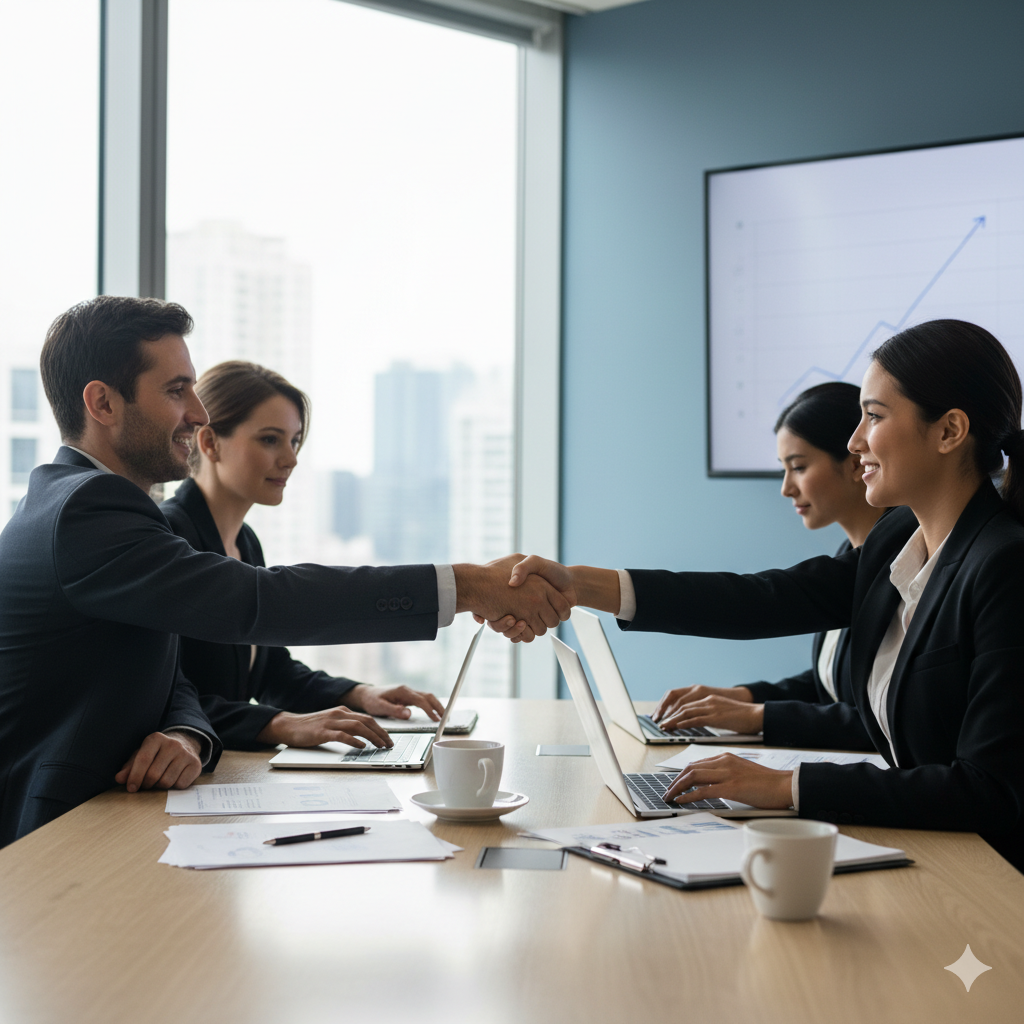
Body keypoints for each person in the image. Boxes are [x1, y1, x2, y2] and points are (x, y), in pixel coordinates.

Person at [0, 296, 566, 847]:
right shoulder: (86, 509)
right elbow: (257, 604)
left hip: (112, 820)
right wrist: (465, 585)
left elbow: (167, 674)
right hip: (54, 837)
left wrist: (187, 731)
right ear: (102, 403)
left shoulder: (102, 508)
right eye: (177, 391)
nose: (197, 412)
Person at [502, 320, 1024, 870]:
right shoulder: (896, 537)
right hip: (929, 849)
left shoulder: (1004, 565)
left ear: (949, 432)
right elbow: (766, 598)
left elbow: (988, 791)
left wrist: (785, 786)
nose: (855, 442)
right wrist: (583, 584)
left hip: (987, 880)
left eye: (874, 416)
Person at [161, 360, 445, 750]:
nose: (291, 458)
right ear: (209, 443)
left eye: (294, 441)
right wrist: (280, 725)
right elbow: (165, 699)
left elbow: (270, 672)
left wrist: (360, 694)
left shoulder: (245, 542)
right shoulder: (168, 538)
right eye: (270, 439)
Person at [651, 382, 885, 749]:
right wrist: (744, 696)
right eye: (784, 469)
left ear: (856, 462)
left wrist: (757, 716)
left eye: (799, 467)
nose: (786, 488)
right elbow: (835, 683)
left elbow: (882, 716)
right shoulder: (850, 554)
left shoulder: (901, 566)